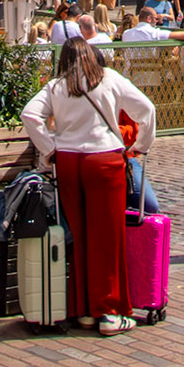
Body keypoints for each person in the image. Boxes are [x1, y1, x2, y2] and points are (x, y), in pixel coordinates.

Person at [20, 37, 158, 336]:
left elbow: (30, 114)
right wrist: (141, 146)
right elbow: (147, 109)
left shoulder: (57, 85)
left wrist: (50, 148)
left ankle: (82, 309)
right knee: (107, 237)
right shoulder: (109, 78)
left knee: (79, 234)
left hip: (69, 161)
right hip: (104, 159)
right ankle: (108, 310)